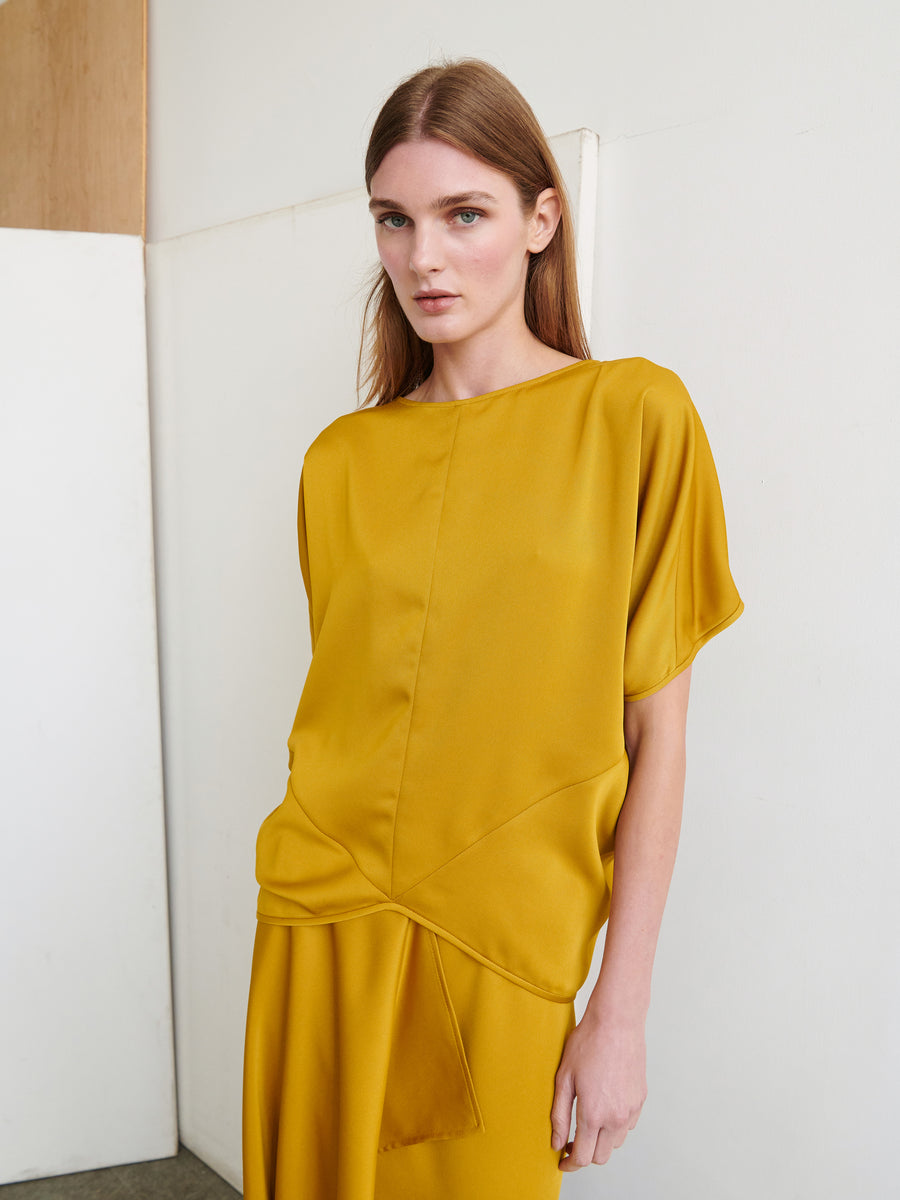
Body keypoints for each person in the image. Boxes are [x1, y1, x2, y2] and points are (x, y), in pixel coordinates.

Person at [242, 58, 743, 1200]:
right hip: (318, 913)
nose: (423, 257)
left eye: (463, 214)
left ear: (539, 220)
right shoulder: (341, 461)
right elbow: (351, 700)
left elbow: (655, 736)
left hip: (506, 946)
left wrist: (621, 1012)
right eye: (394, 219)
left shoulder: (634, 418)